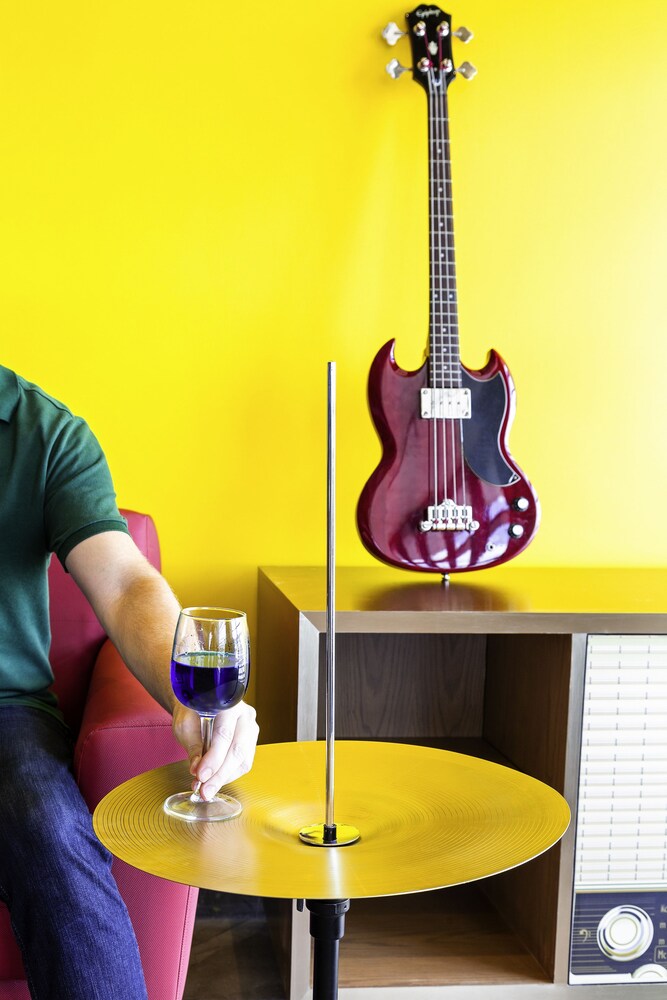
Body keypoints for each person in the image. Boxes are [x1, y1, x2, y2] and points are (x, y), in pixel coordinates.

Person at [0, 364, 259, 999]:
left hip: (5, 714)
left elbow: (123, 584)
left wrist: (185, 689)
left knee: (48, 826)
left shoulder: (44, 432)